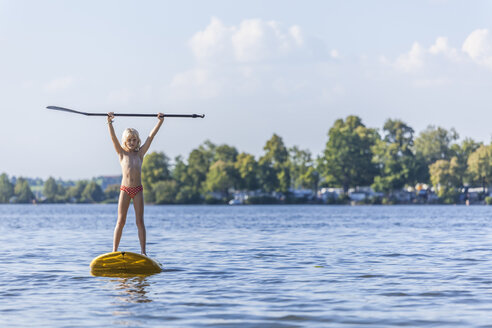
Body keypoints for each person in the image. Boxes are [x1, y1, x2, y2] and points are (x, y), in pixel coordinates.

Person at [107, 112, 164, 255]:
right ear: (125, 142)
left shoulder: (140, 154)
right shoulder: (121, 154)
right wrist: (109, 122)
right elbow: (113, 138)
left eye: (134, 140)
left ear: (137, 141)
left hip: (138, 190)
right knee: (121, 221)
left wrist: (160, 122)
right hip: (124, 190)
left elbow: (151, 137)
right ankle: (114, 251)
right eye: (129, 140)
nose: (132, 142)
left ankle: (143, 252)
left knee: (140, 222)